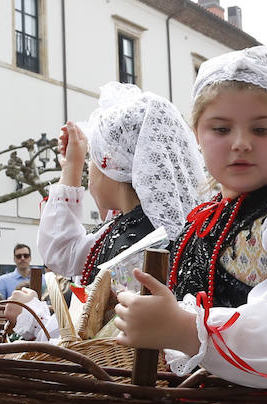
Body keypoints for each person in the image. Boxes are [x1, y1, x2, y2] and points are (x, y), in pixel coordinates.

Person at [113, 46, 267, 387]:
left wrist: (185, 330)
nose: (241, 143)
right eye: (220, 129)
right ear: (197, 135)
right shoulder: (206, 216)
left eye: (261, 130)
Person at [40, 83, 204, 291]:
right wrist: (71, 167)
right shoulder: (138, 224)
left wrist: (72, 168)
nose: (89, 170)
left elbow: (63, 253)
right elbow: (65, 252)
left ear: (113, 165)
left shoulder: (138, 245)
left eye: (91, 160)